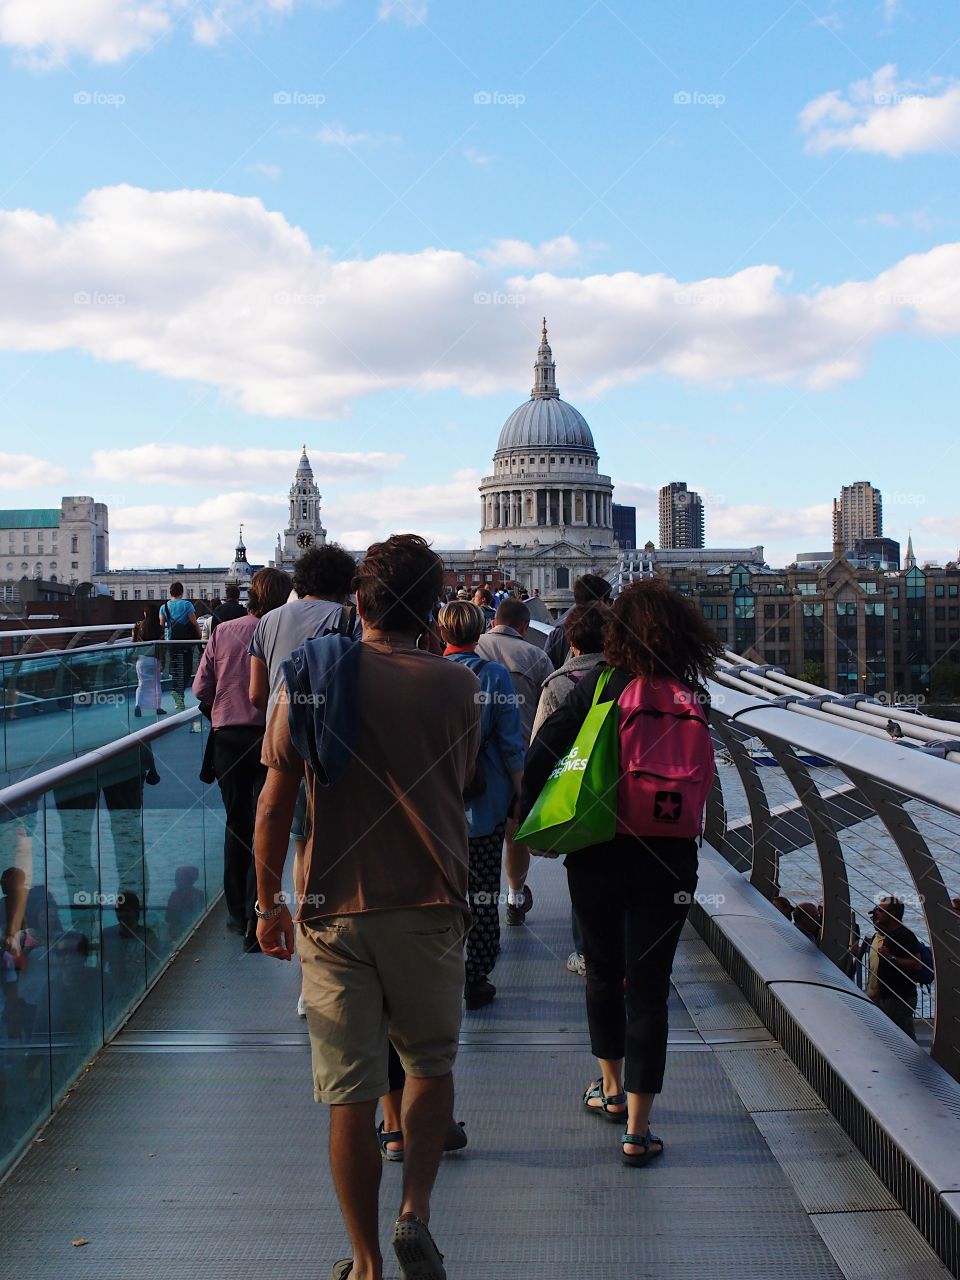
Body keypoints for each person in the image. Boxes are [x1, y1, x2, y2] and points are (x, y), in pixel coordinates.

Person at [255, 534, 480, 1280]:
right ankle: (414, 1210)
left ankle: (364, 1262)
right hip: (430, 898)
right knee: (427, 1065)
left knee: (349, 1094)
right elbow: (466, 781)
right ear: (432, 608)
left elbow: (273, 805)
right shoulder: (458, 687)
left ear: (359, 602)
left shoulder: (312, 680)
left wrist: (267, 905)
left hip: (331, 908)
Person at [521, 578, 721, 1169]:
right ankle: (639, 1128)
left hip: (600, 849)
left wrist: (543, 822)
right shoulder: (691, 694)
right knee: (651, 990)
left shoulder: (596, 688)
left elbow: (540, 758)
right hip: (671, 856)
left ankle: (608, 1090)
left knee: (604, 973)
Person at [248, 544, 356, 1009]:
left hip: (284, 744)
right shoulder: (352, 619)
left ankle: (307, 972)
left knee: (300, 848)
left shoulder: (269, 621)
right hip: (338, 744)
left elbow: (255, 693)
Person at [193, 566, 291, 951]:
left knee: (237, 825)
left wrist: (221, 708)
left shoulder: (223, 632)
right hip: (270, 736)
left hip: (228, 739)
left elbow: (201, 687)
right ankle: (259, 915)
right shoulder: (283, 635)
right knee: (266, 823)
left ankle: (236, 914)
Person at [438, 599, 525, 1009]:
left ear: (442, 633)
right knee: (484, 894)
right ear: (480, 633)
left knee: (440, 896)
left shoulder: (426, 674)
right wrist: (521, 790)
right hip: (485, 803)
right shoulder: (496, 677)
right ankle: (477, 976)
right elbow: (510, 743)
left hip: (435, 808)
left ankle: (440, 973)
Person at [530, 602, 609, 976]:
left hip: (576, 792)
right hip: (620, 791)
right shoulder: (632, 678)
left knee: (585, 868)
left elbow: (540, 744)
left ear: (571, 643)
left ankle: (586, 952)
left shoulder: (559, 682)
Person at [477, 597, 553, 926]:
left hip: (474, 759)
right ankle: (515, 896)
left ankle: (476, 902)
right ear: (524, 627)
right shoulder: (536, 656)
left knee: (475, 834)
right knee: (514, 832)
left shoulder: (471, 647)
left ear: (493, 621)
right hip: (521, 757)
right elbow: (549, 710)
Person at [863, 896, 923, 1039]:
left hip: (899, 997)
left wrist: (891, 958)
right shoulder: (889, 935)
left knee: (902, 1037)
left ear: (893, 913)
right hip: (886, 996)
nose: (876, 913)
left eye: (880, 911)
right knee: (888, 1036)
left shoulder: (904, 935)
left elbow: (917, 964)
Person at [544, 573, 612, 671]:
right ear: (600, 601)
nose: (610, 605)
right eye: (609, 600)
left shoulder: (556, 635)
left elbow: (547, 670)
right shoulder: (612, 632)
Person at [160, 582, 200, 711]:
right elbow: (194, 623)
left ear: (170, 593)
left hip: (171, 641)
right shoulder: (187, 605)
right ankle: (180, 693)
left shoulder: (164, 607)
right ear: (181, 592)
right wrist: (200, 637)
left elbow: (161, 626)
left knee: (176, 669)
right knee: (187, 669)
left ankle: (178, 697)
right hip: (185, 642)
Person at [131, 605, 165, 718]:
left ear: (145, 613)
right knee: (156, 684)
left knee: (141, 683)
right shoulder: (159, 628)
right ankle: (158, 707)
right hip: (154, 659)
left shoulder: (138, 626)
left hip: (142, 658)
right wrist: (162, 662)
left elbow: (134, 642)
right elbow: (162, 646)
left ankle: (138, 706)